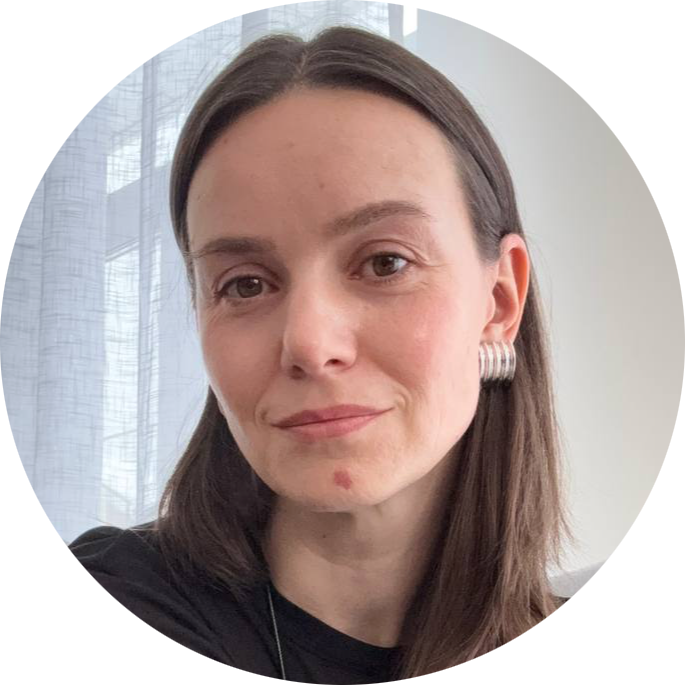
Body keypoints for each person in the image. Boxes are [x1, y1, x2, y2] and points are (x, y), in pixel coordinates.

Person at [68, 24, 583, 683]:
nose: (310, 344)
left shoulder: (594, 651)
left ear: (500, 301)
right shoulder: (102, 611)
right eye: (244, 285)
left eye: (385, 262)